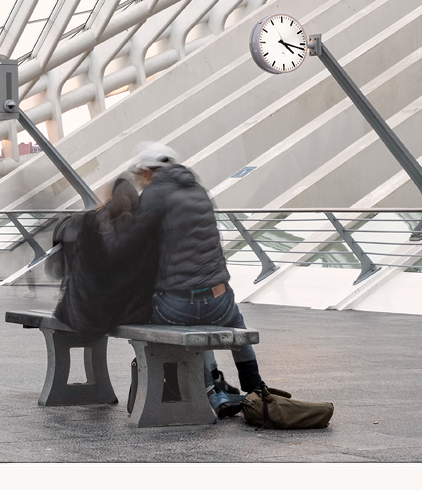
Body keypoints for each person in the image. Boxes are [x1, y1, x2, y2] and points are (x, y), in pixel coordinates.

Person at [126, 140, 267, 399]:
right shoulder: (199, 190)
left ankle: (210, 390)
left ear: (146, 171)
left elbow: (138, 247)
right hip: (220, 301)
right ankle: (256, 387)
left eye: (137, 175)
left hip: (176, 307)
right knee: (235, 323)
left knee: (150, 325)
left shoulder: (153, 194)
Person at [49, 177, 158, 340]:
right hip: (127, 313)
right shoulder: (142, 230)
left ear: (110, 199)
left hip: (81, 313)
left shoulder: (88, 223)